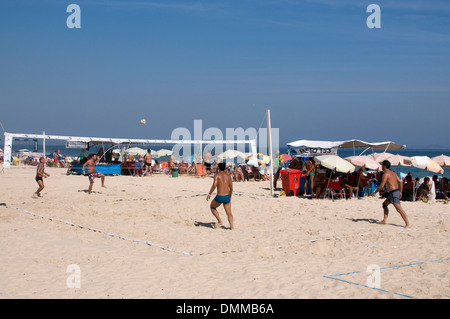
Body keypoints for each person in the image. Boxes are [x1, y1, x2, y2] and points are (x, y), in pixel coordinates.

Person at [371, 160, 411, 228]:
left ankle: (408, 224)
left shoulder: (385, 174)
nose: (381, 166)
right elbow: (400, 182)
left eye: (382, 165)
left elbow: (382, 185)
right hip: (394, 192)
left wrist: (375, 192)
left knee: (399, 209)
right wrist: (400, 192)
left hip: (393, 193)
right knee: (384, 204)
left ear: (384, 166)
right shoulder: (393, 173)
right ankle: (385, 220)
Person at [206, 162, 234, 230]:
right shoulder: (228, 176)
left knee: (212, 207)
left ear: (218, 167)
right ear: (225, 168)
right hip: (227, 196)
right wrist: (230, 196)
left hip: (220, 196)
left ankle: (220, 221)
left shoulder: (217, 175)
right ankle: (232, 227)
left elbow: (214, 185)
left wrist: (209, 194)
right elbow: (231, 188)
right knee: (229, 213)